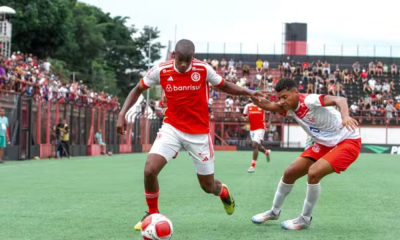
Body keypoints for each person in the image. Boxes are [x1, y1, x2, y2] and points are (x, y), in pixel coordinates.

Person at [116, 39, 264, 230]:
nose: (184, 64)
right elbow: (137, 89)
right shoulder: (161, 70)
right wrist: (122, 113)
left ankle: (223, 192)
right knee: (149, 170)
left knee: (207, 186)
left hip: (199, 134)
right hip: (172, 128)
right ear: (174, 56)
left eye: (188, 60)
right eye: (180, 60)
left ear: (193, 57)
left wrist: (248, 92)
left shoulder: (203, 69)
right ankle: (152, 214)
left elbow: (224, 85)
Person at [250, 78, 361, 230]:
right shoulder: (289, 106)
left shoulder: (309, 100)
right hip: (324, 143)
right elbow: (269, 106)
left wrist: (345, 116)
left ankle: (304, 219)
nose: (281, 101)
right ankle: (274, 212)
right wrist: (250, 95)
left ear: (296, 92)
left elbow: (340, 99)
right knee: (290, 173)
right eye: (279, 98)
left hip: (347, 140)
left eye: (284, 97)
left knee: (314, 173)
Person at [243, 100, 271, 173]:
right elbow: (244, 115)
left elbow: (271, 111)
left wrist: (269, 122)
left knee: (254, 145)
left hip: (260, 127)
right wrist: (245, 118)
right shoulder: (247, 106)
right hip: (252, 129)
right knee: (258, 146)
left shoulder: (262, 105)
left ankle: (252, 166)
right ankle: (266, 151)